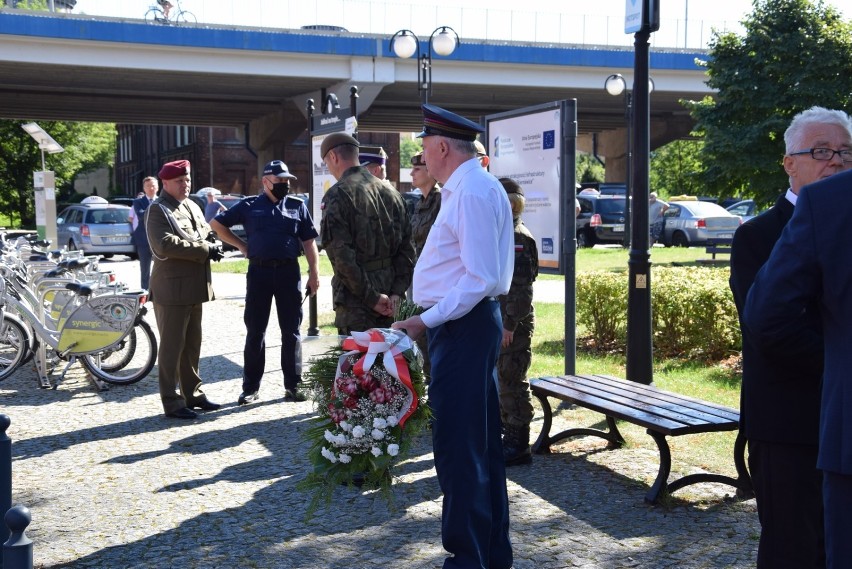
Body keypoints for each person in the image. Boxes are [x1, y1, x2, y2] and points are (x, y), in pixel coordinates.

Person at [393, 104, 514, 569]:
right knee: (478, 447)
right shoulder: (471, 186)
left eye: (424, 147)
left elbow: (479, 277)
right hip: (463, 324)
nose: (422, 155)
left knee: (459, 450)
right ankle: (488, 554)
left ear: (443, 147)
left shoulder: (470, 191)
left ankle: (468, 559)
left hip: (462, 326)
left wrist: (427, 319)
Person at [733, 107, 852, 568]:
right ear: (789, 163)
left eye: (844, 151)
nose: (836, 162)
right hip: (790, 420)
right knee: (793, 548)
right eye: (821, 152)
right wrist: (840, 366)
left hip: (839, 416)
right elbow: (770, 327)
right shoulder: (758, 236)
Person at [210, 160, 319, 405]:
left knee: (291, 332)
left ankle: (293, 385)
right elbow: (216, 224)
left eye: (287, 181)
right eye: (280, 181)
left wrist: (314, 273)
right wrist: (241, 246)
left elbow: (309, 242)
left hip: (288, 274)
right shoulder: (249, 206)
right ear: (266, 181)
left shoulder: (297, 206)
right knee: (255, 332)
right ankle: (250, 388)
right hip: (259, 273)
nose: (285, 185)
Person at [146, 159, 224, 420]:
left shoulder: (192, 205)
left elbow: (205, 233)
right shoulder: (158, 209)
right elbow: (164, 244)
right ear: (165, 183)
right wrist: (205, 249)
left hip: (193, 287)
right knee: (171, 348)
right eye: (180, 181)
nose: (185, 184)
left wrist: (213, 243)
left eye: (187, 180)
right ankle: (172, 401)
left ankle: (194, 394)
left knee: (192, 345)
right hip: (171, 290)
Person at [319, 132, 415, 334]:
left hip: (358, 305)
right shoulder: (392, 194)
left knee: (359, 364)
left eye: (327, 162)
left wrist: (372, 298)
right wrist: (398, 292)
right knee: (390, 363)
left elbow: (342, 258)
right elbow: (407, 250)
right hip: (392, 300)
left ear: (334, 158)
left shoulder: (338, 195)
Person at [496, 177, 539, 468]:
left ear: (510, 204)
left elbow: (522, 289)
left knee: (512, 380)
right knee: (503, 379)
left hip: (513, 323)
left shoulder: (518, 237)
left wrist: (509, 324)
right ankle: (508, 435)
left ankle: (518, 443)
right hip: (503, 320)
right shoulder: (505, 233)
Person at [408, 151, 441, 381]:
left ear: (430, 171)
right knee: (421, 345)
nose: (412, 173)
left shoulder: (442, 201)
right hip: (421, 283)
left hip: (438, 284)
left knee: (435, 344)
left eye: (417, 169)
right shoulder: (420, 203)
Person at [128, 176, 157, 291]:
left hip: (158, 239)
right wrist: (156, 209)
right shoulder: (138, 202)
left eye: (153, 185)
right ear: (144, 188)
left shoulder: (162, 201)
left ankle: (158, 290)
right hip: (143, 240)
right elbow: (141, 216)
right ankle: (145, 291)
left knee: (161, 267)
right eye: (148, 186)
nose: (151, 188)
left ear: (157, 187)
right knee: (145, 268)